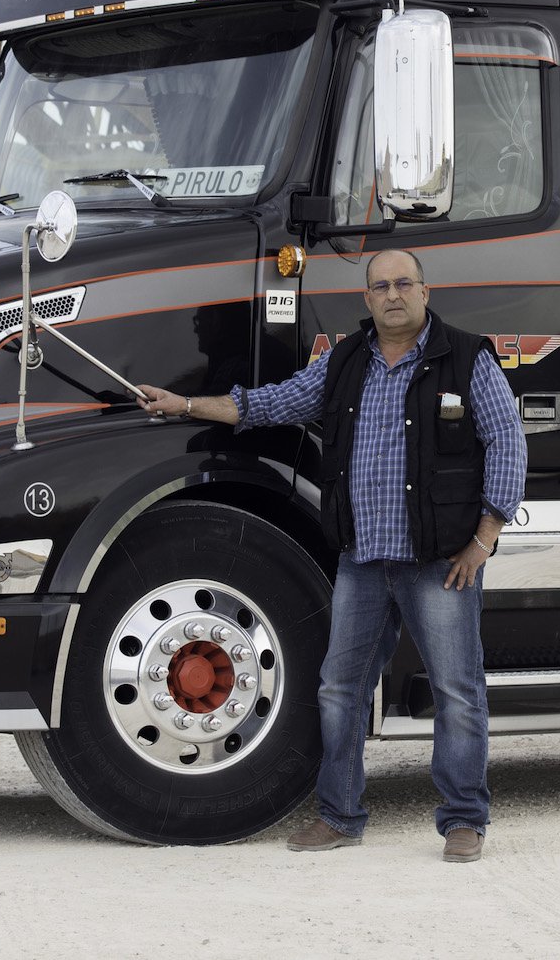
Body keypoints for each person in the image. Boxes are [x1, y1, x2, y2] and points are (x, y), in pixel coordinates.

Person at [135, 248, 524, 863]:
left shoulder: (469, 359)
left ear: (425, 291)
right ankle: (340, 815)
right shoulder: (343, 362)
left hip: (441, 562)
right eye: (380, 287)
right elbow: (267, 405)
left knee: (458, 693)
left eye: (404, 284)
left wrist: (483, 540)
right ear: (366, 300)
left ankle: (463, 821)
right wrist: (184, 405)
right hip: (362, 562)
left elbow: (507, 443)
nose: (393, 295)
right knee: (339, 692)